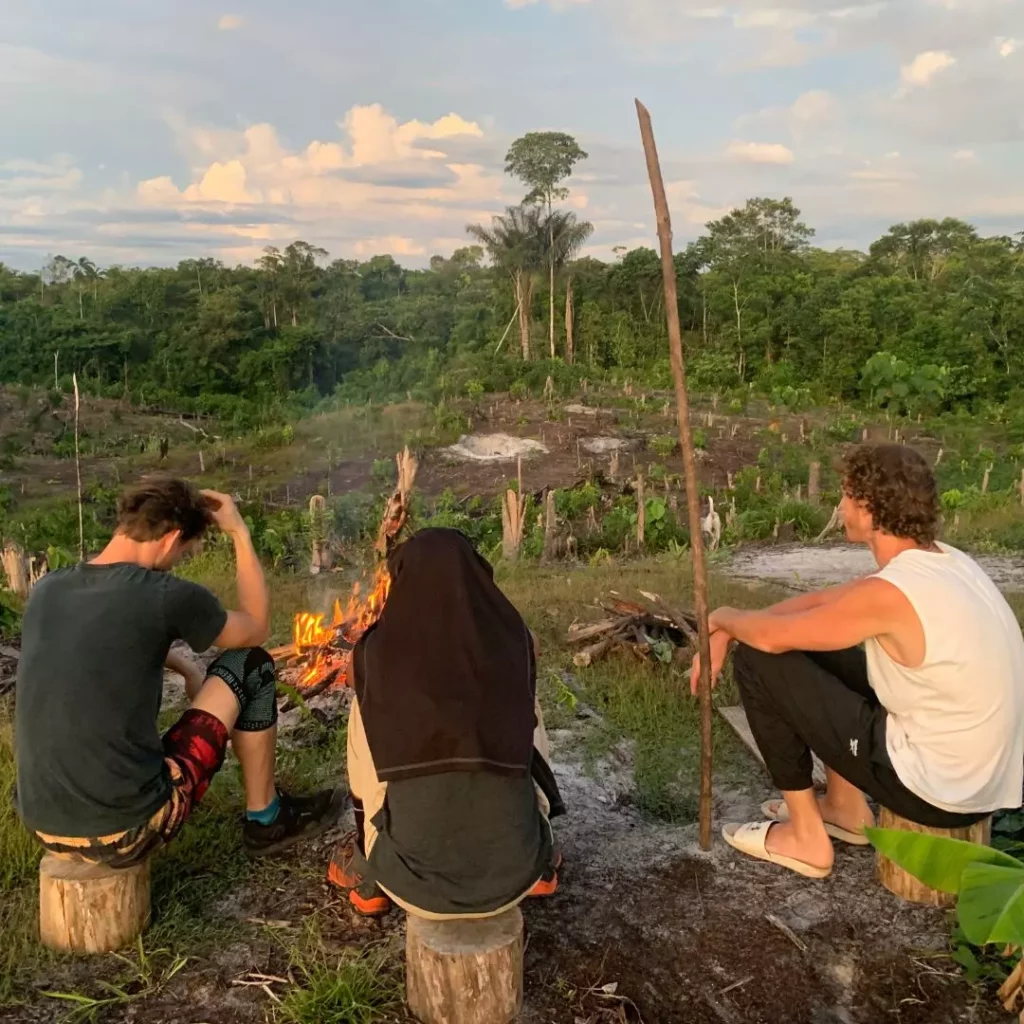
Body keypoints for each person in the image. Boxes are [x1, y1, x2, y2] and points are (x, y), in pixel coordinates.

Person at [696, 444, 1024, 879]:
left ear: (869, 511)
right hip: (976, 776)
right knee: (822, 646)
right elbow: (823, 603)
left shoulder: (892, 593)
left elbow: (770, 639)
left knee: (759, 659)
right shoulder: (944, 562)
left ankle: (807, 838)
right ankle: (844, 808)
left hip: (940, 791)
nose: (840, 506)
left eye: (846, 496)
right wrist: (728, 626)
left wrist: (721, 619)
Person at [15, 476, 344, 866]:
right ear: (172, 538)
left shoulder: (48, 589)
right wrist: (238, 531)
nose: (177, 562)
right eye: (184, 552)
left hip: (41, 821)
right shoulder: (163, 593)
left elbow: (97, 645)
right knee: (250, 664)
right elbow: (255, 627)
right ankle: (266, 818)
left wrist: (184, 665)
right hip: (125, 829)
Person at [327, 527, 565, 917]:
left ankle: (370, 875)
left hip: (412, 884)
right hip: (515, 874)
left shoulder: (375, 656)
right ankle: (543, 863)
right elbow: (533, 645)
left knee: (365, 704)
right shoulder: (513, 643)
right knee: (522, 692)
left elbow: (354, 675)